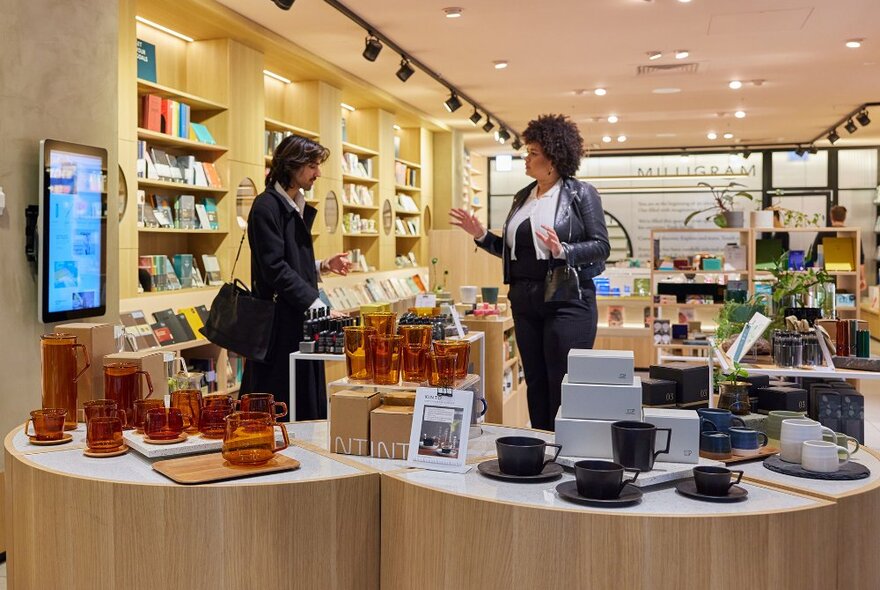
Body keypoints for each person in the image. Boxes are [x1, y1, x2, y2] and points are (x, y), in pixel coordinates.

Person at [450, 114, 610, 431]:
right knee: (535, 381)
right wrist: (482, 235)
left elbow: (601, 246)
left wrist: (563, 250)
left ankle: (568, 449)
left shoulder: (580, 194)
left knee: (564, 381)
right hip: (525, 301)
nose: (527, 158)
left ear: (552, 159)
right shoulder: (523, 196)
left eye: (533, 153)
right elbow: (515, 254)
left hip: (567, 300)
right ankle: (542, 446)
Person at [240, 134, 352, 420]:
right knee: (280, 403)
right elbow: (274, 269)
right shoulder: (267, 207)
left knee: (303, 400)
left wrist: (323, 265)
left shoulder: (293, 205)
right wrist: (319, 305)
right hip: (279, 329)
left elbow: (289, 263)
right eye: (313, 166)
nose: (319, 173)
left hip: (298, 320)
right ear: (293, 165)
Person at [806, 205, 866, 291]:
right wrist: (862, 278)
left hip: (827, 274)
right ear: (844, 217)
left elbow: (814, 254)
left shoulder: (823, 233)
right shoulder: (853, 233)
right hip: (849, 276)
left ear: (831, 217)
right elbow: (860, 259)